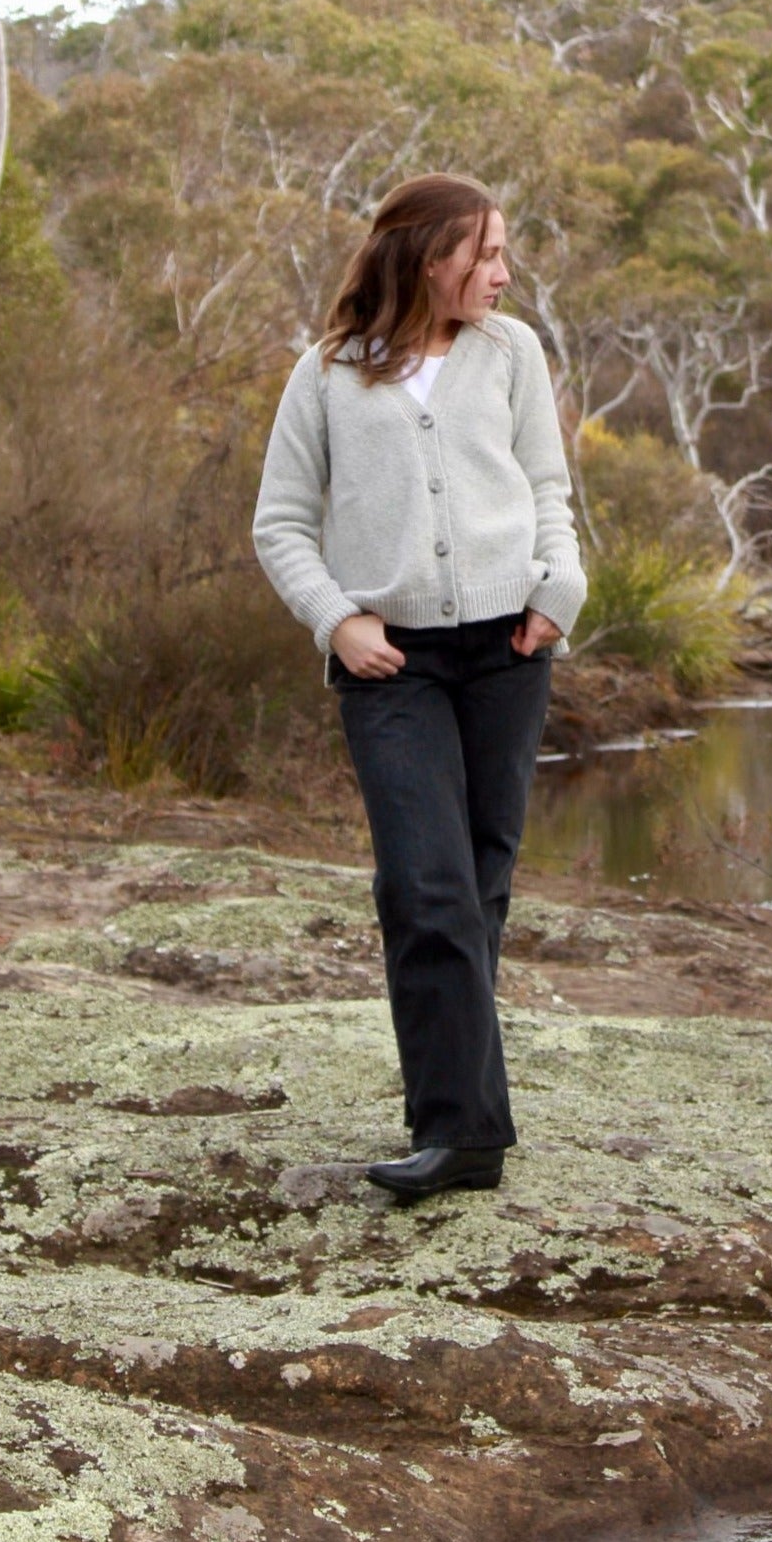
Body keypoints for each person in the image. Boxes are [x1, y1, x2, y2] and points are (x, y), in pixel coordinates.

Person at [252, 173, 587, 1199]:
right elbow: (280, 524)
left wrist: (559, 587)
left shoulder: (511, 352)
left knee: (477, 890)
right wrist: (338, 620)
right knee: (424, 885)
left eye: (501, 252)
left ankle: (461, 1129)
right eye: (485, 253)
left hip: (507, 653)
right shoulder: (326, 376)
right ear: (427, 256)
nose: (502, 270)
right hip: (390, 664)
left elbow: (545, 488)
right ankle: (465, 1128)